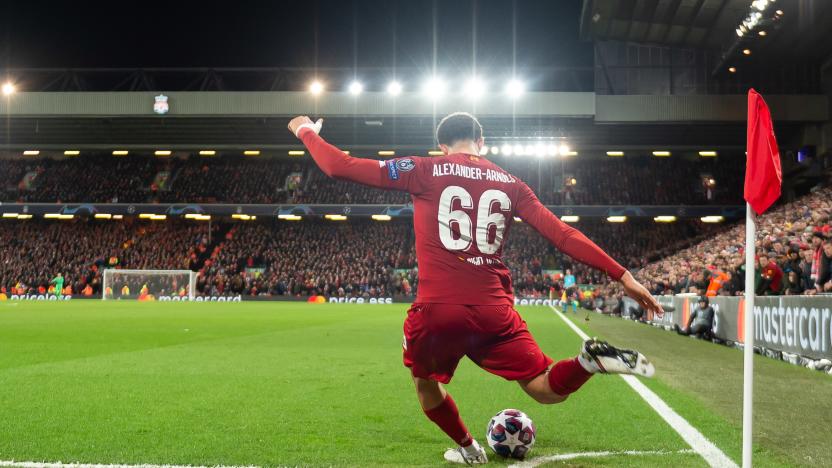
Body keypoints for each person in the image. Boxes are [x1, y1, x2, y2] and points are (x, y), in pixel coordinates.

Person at [288, 112, 662, 464]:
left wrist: (306, 130)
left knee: (425, 384)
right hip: (494, 310)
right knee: (545, 387)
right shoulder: (512, 183)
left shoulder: (423, 168)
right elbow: (562, 235)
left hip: (438, 310)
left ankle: (468, 448)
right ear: (481, 141)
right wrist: (622, 275)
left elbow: (338, 166)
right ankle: (588, 361)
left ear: (441, 147)